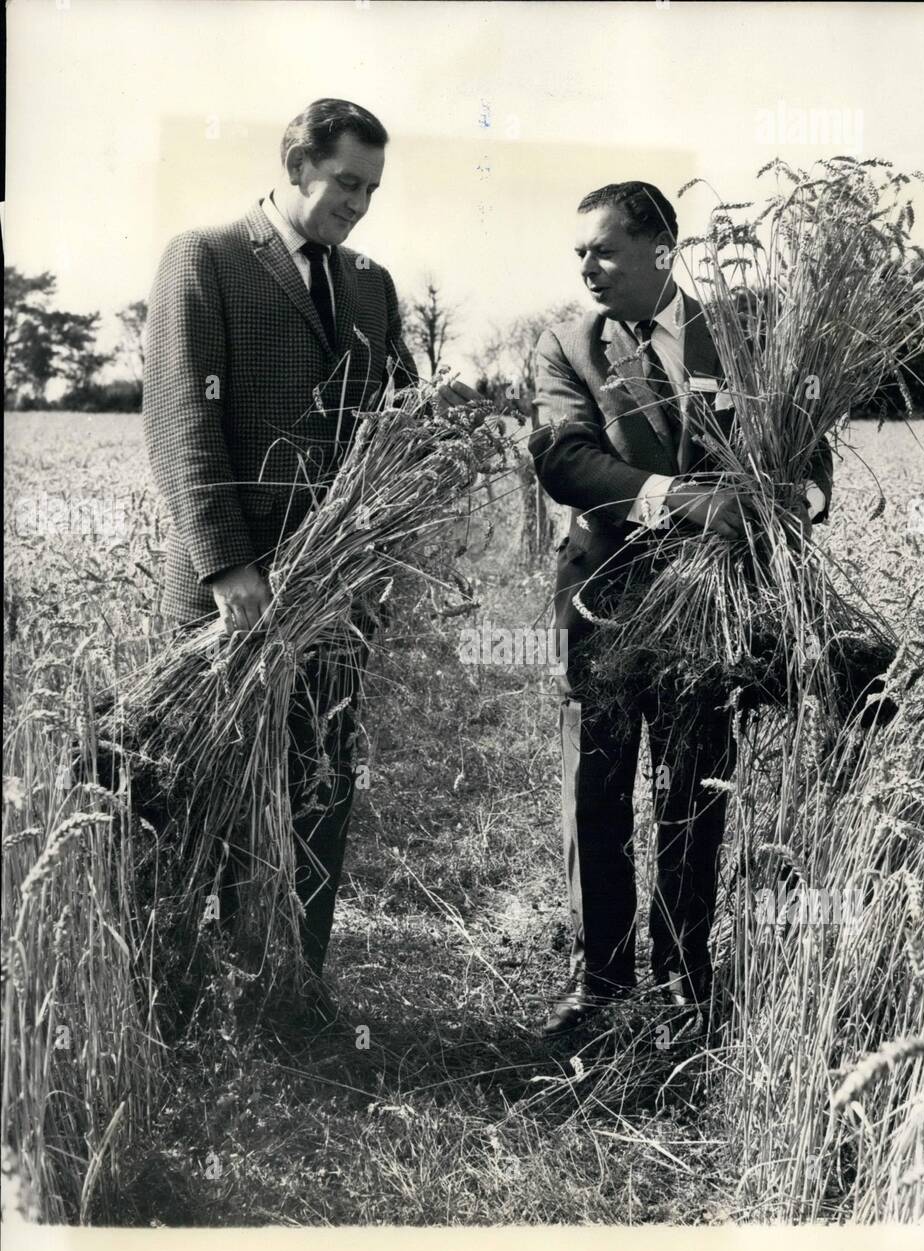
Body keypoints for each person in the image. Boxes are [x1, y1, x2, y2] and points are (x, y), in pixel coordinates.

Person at [144, 98, 475, 1014]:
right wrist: (224, 567)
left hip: (333, 592)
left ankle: (289, 983)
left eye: (371, 189)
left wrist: (433, 439)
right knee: (207, 784)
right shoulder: (204, 259)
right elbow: (181, 422)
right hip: (234, 595)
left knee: (318, 781)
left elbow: (396, 414)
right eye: (345, 184)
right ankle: (173, 990)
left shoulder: (368, 283)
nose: (359, 205)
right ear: (296, 164)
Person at [528, 181, 833, 1038]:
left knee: (693, 786)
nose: (586, 267)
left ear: (663, 249)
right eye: (580, 253)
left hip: (718, 609)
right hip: (610, 600)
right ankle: (600, 982)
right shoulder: (566, 348)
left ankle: (682, 980)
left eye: (603, 250)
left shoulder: (744, 339)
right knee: (601, 785)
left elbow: (808, 456)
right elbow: (565, 460)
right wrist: (678, 498)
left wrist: (786, 506)